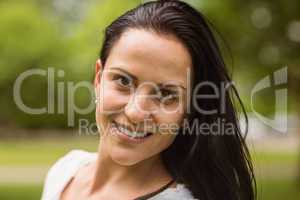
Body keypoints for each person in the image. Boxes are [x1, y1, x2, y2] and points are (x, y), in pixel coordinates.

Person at [41, 0, 256, 199]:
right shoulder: (66, 171)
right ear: (98, 78)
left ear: (189, 110)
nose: (135, 113)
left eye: (166, 94)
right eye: (123, 81)